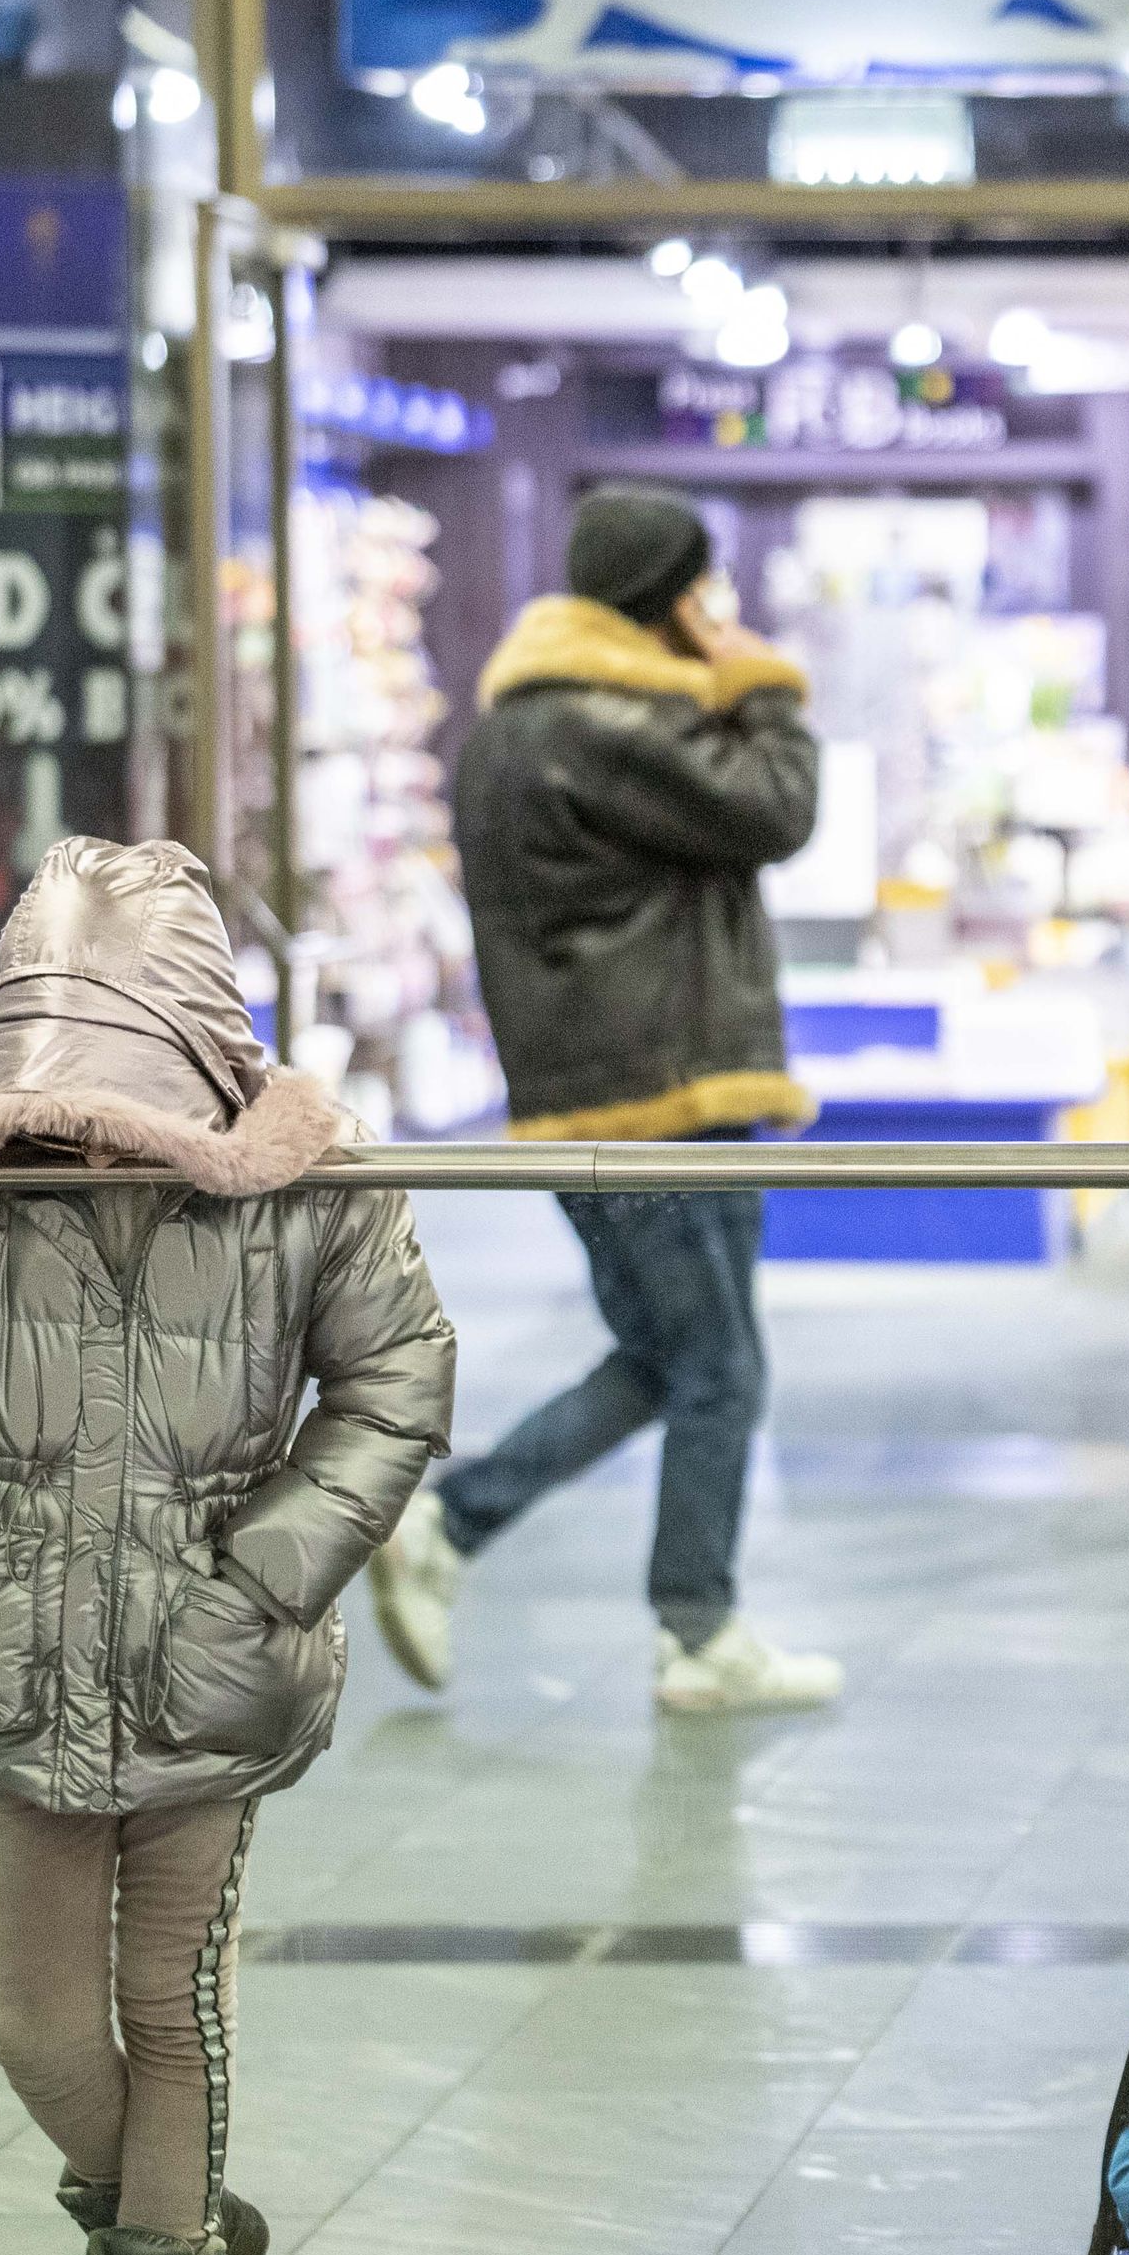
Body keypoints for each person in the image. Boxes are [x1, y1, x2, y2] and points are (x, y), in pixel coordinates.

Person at [0, 839, 456, 2255]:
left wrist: (267, 1572)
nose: (85, 1140)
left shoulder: (314, 1189)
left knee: (171, 2001)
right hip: (6, 1645)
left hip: (211, 1655)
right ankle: (174, 2216)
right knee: (32, 2019)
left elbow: (393, 1379)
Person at [367, 486, 842, 1715]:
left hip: (584, 1095)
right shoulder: (618, 722)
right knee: (720, 1367)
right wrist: (762, 683)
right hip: (663, 1095)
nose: (718, 610)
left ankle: (453, 1526)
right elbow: (778, 807)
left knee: (667, 1356)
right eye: (702, 588)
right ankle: (699, 1633)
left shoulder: (518, 726)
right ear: (665, 598)